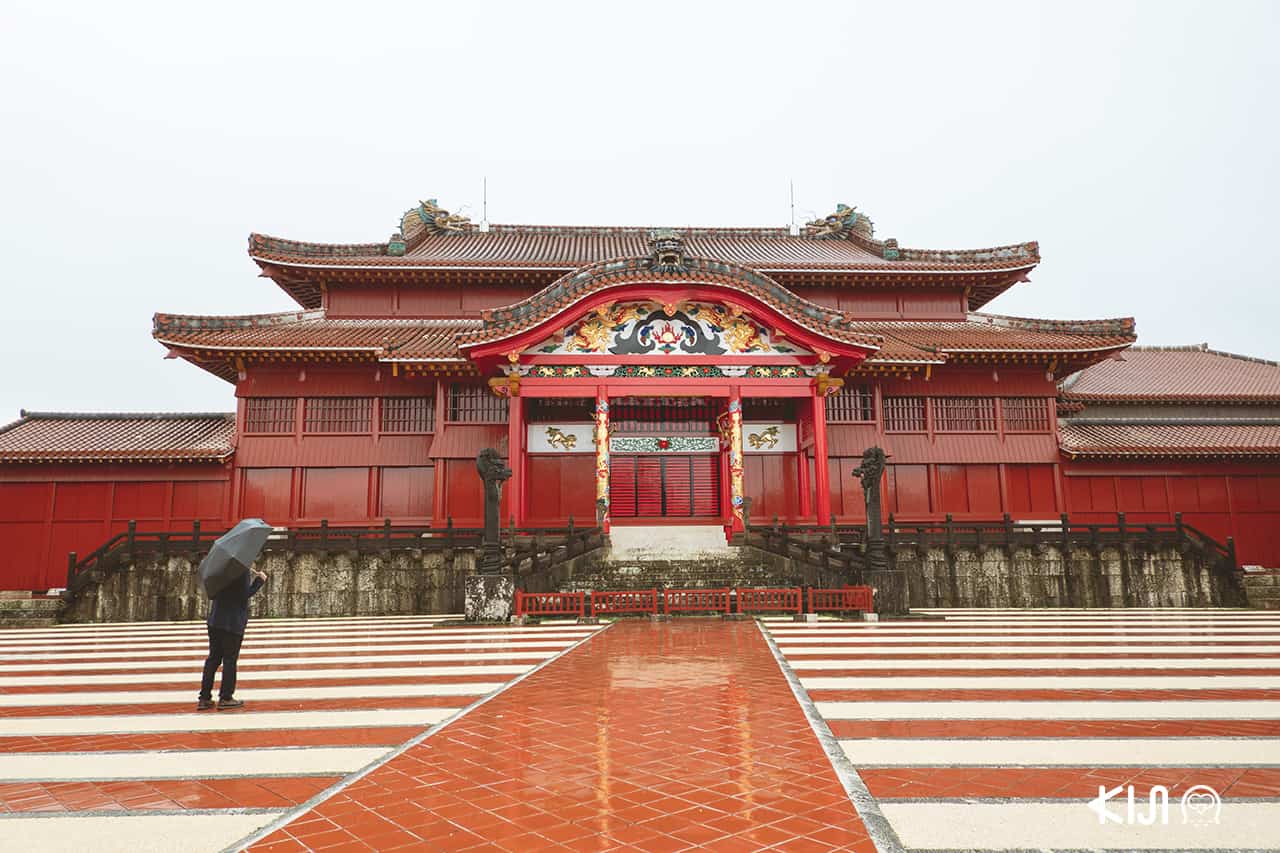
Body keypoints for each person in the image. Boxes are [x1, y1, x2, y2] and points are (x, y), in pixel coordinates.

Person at [198, 567, 267, 710]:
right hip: (232, 622)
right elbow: (243, 595)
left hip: (215, 620)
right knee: (230, 660)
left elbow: (212, 593)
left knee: (213, 659)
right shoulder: (241, 571)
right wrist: (259, 581)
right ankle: (226, 697)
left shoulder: (218, 570)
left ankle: (204, 698)